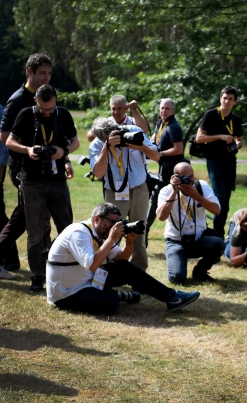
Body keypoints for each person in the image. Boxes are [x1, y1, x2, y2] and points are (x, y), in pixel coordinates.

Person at [46, 202, 200, 314]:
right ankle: (120, 295)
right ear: (96, 219)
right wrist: (111, 239)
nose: (114, 226)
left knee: (125, 269)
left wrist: (129, 243)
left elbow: (121, 259)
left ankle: (172, 297)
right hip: (67, 293)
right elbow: (92, 265)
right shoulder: (78, 233)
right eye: (111, 222)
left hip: (88, 281)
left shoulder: (102, 234)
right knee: (112, 304)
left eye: (117, 222)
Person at [6, 84, 80, 292]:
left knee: (67, 227)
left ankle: (66, 271)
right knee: (35, 232)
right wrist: (28, 149)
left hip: (58, 180)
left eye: (50, 109)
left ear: (55, 101)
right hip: (32, 181)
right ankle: (37, 277)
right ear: (35, 102)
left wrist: (62, 151)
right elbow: (10, 141)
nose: (47, 113)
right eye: (43, 109)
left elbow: (75, 143)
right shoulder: (26, 114)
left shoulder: (63, 114)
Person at [0, 53, 65, 278]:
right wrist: (29, 149)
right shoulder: (18, 99)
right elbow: (5, 136)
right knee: (31, 218)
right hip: (23, 168)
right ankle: (45, 265)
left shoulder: (47, 96)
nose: (47, 78)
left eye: (49, 73)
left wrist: (62, 159)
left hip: (47, 167)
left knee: (30, 218)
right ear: (29, 73)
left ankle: (46, 264)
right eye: (42, 73)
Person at [89, 116, 159, 271]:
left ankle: (139, 274)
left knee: (139, 233)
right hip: (115, 193)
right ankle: (109, 271)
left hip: (139, 190)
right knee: (111, 233)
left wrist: (139, 146)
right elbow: (99, 174)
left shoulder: (133, 132)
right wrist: (106, 148)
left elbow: (156, 156)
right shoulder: (97, 144)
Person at [156, 162, 225, 284]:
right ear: (175, 178)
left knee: (218, 243)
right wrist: (174, 192)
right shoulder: (166, 191)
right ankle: (178, 261)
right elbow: (161, 217)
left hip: (198, 239)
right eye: (185, 177)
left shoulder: (201, 186)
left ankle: (200, 271)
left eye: (191, 176)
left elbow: (217, 210)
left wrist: (197, 196)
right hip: (176, 242)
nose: (189, 180)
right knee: (177, 279)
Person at [194, 86, 243, 238]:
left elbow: (239, 140)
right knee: (220, 197)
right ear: (220, 99)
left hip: (229, 162)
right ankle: (217, 234)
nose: (226, 101)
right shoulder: (211, 115)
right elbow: (199, 138)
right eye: (224, 98)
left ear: (235, 102)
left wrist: (236, 146)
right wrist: (220, 136)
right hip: (214, 160)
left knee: (226, 200)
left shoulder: (236, 120)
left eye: (230, 99)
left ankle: (219, 232)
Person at [146, 98, 186, 244]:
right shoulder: (160, 123)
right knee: (155, 198)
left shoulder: (174, 127)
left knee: (156, 198)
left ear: (173, 111)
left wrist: (160, 153)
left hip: (174, 170)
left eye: (167, 108)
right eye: (162, 108)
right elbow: (155, 137)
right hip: (164, 168)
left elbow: (179, 149)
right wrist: (148, 147)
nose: (164, 111)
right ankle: (145, 229)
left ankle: (144, 230)